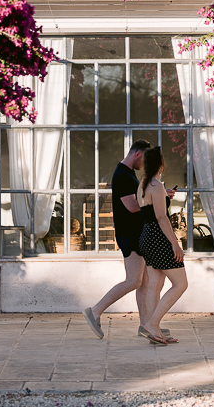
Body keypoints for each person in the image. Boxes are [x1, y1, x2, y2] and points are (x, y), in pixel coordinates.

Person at [82, 139, 171, 340]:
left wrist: (161, 195)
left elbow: (137, 201)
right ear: (138, 154)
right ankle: (95, 311)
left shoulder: (128, 174)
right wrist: (158, 197)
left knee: (144, 282)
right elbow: (131, 206)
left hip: (135, 234)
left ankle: (146, 325)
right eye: (144, 159)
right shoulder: (122, 175)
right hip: (129, 235)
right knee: (134, 280)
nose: (145, 165)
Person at [135, 146, 188, 345]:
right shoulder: (156, 186)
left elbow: (150, 208)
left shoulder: (142, 185)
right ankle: (152, 324)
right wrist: (175, 244)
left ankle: (153, 330)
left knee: (155, 286)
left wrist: (164, 195)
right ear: (160, 164)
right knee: (181, 284)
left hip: (147, 237)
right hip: (159, 238)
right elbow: (161, 216)